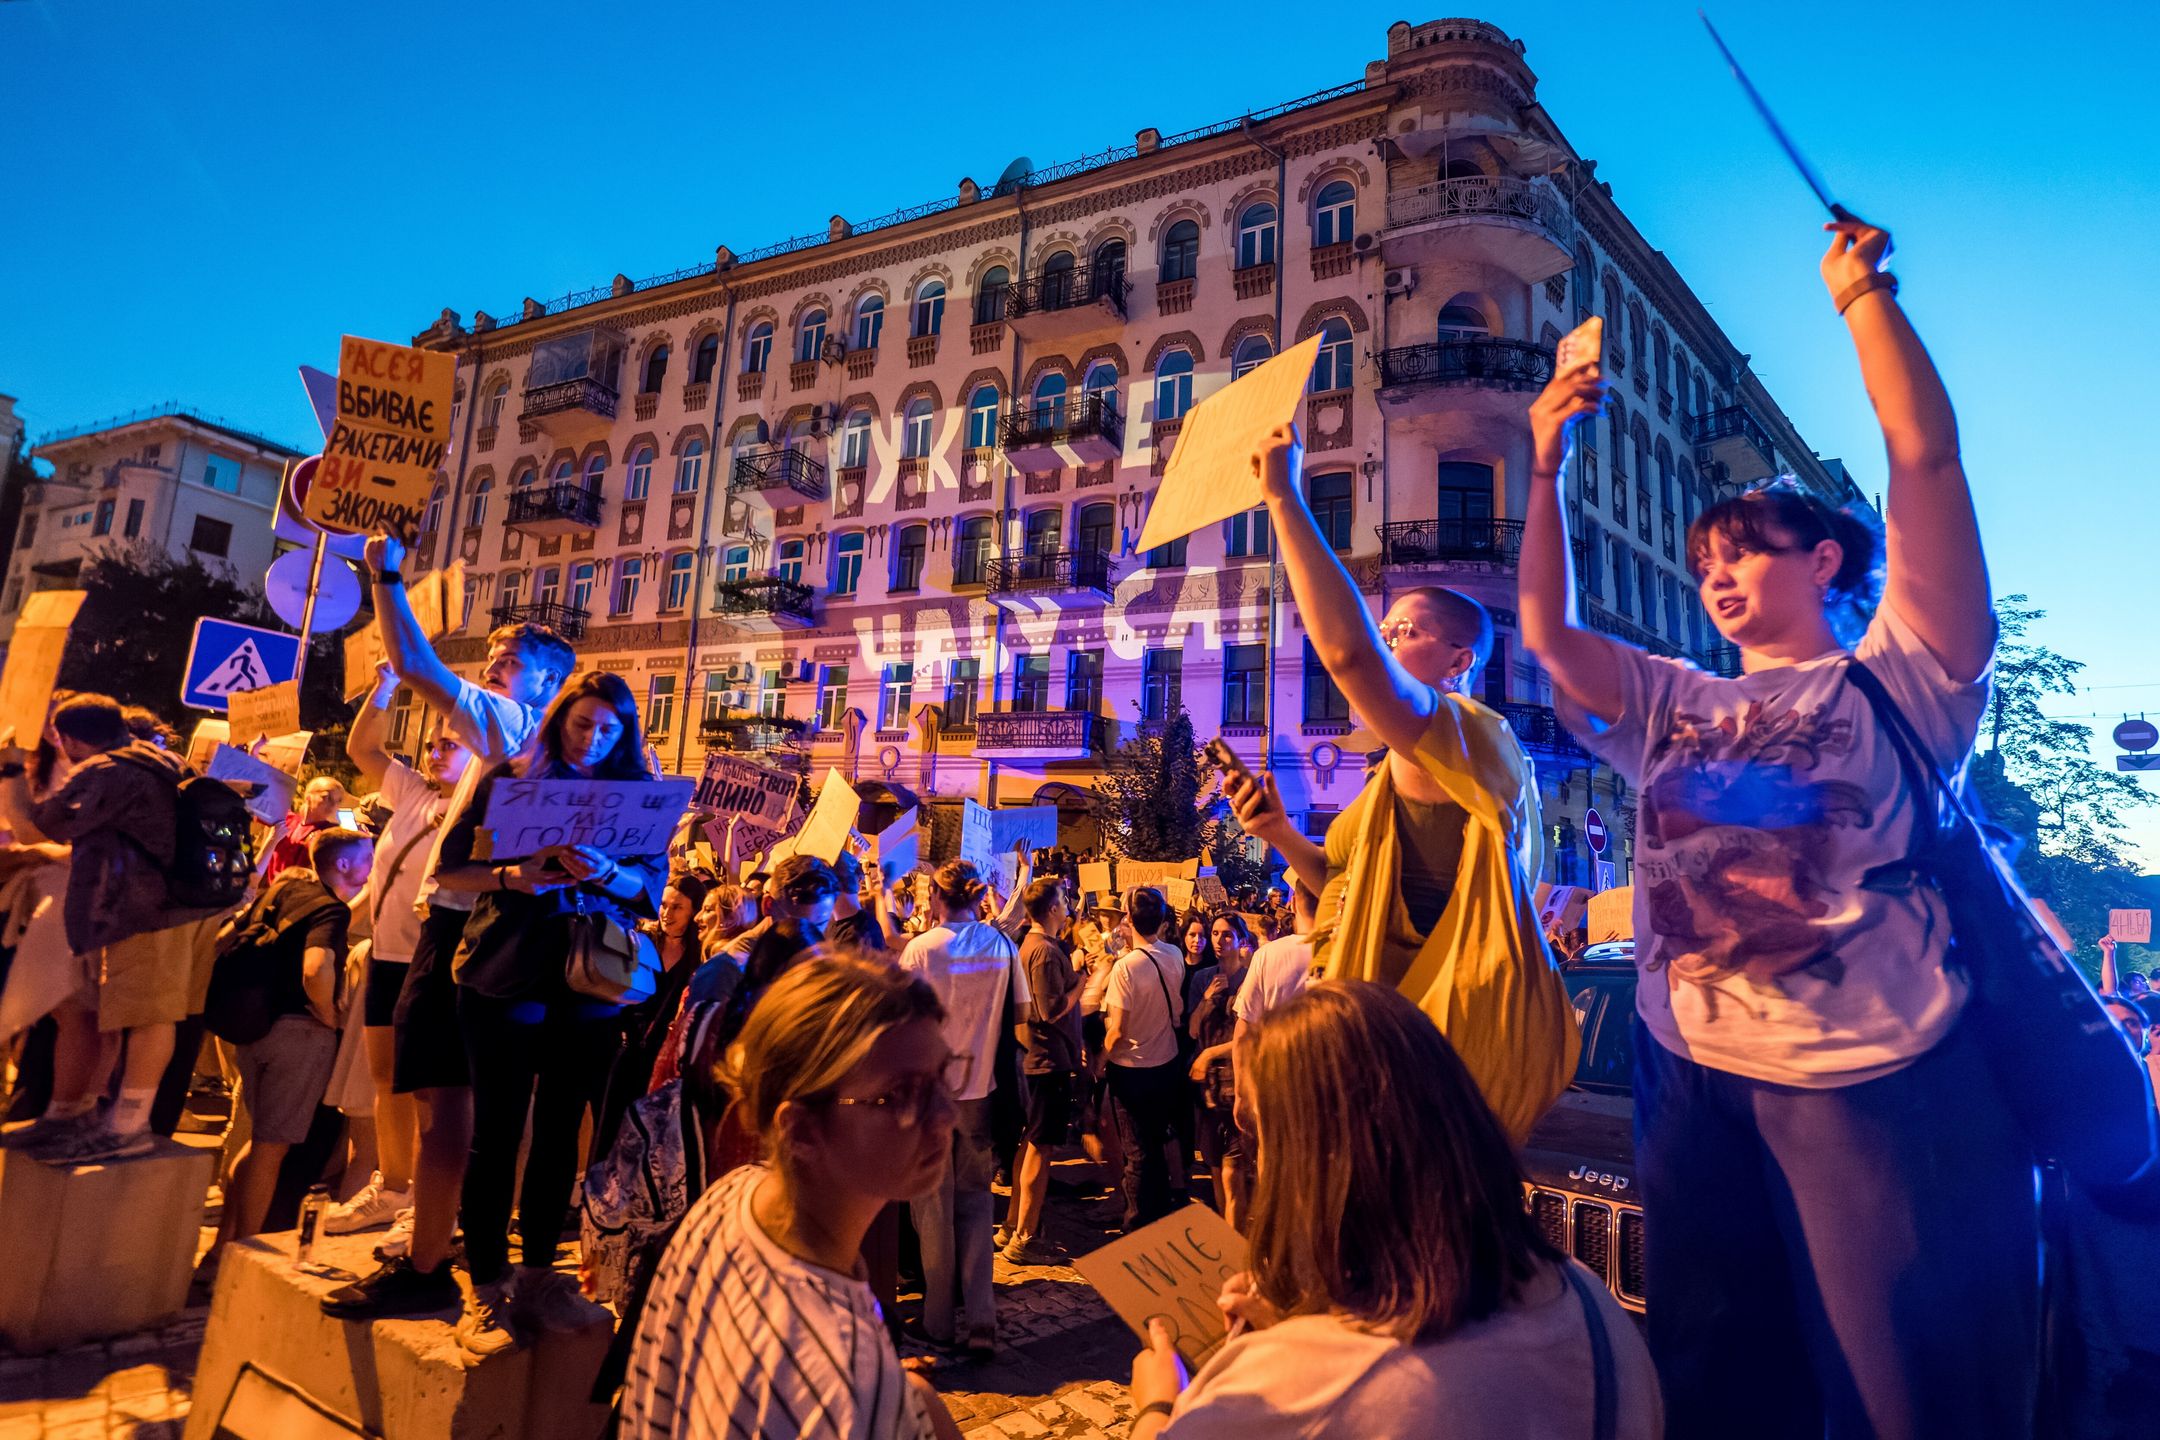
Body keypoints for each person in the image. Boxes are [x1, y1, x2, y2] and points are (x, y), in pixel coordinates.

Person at [1518, 214, 2032, 1438]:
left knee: (1893, 1399)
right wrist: (1542, 462)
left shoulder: (1905, 674)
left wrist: (1865, 304)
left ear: (1831, 562)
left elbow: (1928, 466)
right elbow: (1545, 636)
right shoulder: (1673, 699)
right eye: (1708, 563)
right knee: (1716, 1391)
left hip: (1861, 1085)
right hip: (1686, 1078)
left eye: (1751, 547)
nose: (1721, 572)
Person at [1229, 424, 1578, 1143]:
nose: (1385, 644)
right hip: (1368, 1054)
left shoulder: (1471, 734)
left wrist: (1284, 495)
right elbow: (1348, 890)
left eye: (1402, 633)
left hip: (1432, 1059)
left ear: (1459, 659)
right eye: (1386, 631)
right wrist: (1280, 835)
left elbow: (1347, 654)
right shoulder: (1396, 769)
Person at [1126, 980, 1659, 1438]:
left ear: (1314, 1160)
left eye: (1265, 1135)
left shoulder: (1293, 1382)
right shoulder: (1589, 1300)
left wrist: (1159, 1402)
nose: (1261, 1160)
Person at [324, 533, 574, 1320]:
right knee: (447, 1114)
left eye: (513, 658)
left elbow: (421, 668)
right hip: (464, 935)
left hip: (462, 939)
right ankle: (437, 1249)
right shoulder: (509, 739)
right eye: (495, 653)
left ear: (547, 683)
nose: (496, 663)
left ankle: (439, 1261)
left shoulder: (512, 723)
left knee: (453, 1115)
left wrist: (386, 574)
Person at [617, 954, 965, 1440]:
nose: (946, 1114)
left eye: (944, 1075)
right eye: (900, 1094)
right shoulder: (846, 1393)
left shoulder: (730, 1199)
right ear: (800, 1130)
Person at [427, 671, 666, 1356]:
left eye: (609, 728)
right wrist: (516, 875)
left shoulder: (638, 797)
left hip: (590, 982)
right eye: (583, 723)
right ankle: (486, 1285)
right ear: (561, 719)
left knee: (562, 1131)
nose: (594, 738)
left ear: (626, 734)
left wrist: (602, 872)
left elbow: (647, 887)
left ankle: (537, 1272)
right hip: (505, 971)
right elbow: (451, 870)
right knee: (497, 1131)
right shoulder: (511, 776)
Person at [0, 694, 227, 1162]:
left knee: (146, 1014)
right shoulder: (156, 758)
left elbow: (42, 827)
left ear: (71, 739)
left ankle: (127, 1126)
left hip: (145, 909)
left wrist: (11, 770)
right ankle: (73, 1116)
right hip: (147, 908)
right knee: (114, 1014)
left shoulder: (106, 770)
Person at [322, 676, 474, 1245]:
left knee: (430, 1089)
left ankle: (434, 1205)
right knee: (386, 1080)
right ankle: (392, 1188)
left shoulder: (472, 804)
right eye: (433, 744)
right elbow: (364, 749)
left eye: (449, 745)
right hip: (387, 955)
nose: (435, 753)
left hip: (431, 956)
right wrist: (381, 688)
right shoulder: (410, 791)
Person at [214, 827, 375, 1253]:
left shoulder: (284, 895)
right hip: (298, 1036)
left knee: (255, 1143)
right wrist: (327, 1013)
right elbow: (315, 968)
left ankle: (220, 1243)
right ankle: (243, 1251)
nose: (372, 866)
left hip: (254, 1031)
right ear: (343, 865)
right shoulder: (329, 910)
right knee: (271, 1149)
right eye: (367, 858)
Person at [895, 859, 1028, 1355]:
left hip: (931, 1092)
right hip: (981, 1092)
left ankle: (937, 1320)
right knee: (976, 1205)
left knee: (932, 1208)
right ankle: (981, 1320)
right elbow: (1021, 1017)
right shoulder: (1002, 946)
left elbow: (903, 1021)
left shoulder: (920, 949)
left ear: (936, 896)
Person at [1098, 886, 1185, 1233]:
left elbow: (1117, 1030)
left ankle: (1135, 1223)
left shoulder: (1126, 968)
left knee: (1136, 1150)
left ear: (1129, 920)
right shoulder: (1174, 955)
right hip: (1167, 1062)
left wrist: (1099, 1058)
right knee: (1157, 1138)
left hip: (1132, 1068)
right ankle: (1161, 1209)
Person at [1006, 876, 1082, 1265]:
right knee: (1041, 1147)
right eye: (1064, 900)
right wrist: (1081, 982)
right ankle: (1025, 1236)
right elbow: (1049, 1010)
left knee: (1030, 1142)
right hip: (1045, 1060)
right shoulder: (1045, 953)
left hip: (1036, 1058)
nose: (1068, 904)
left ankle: (1011, 1225)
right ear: (1052, 908)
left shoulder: (1034, 946)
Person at [1184, 911, 1254, 1225]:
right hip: (1209, 1084)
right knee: (1215, 1163)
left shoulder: (1250, 978)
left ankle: (1238, 1233)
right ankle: (1227, 1231)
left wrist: (1210, 1053)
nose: (1219, 941)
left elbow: (1253, 1036)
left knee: (1235, 1167)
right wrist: (1207, 1000)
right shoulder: (1202, 978)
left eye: (1227, 935)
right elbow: (1193, 1030)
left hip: (1238, 1079)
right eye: (1215, 934)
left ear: (1241, 940)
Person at [1230, 881, 1320, 1035]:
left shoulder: (1266, 954)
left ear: (1292, 904)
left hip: (1274, 1054)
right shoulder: (1347, 956)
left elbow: (1244, 1028)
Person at [258, 775, 349, 886]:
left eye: (338, 801)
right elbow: (256, 799)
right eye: (327, 797)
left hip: (300, 895)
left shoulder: (330, 832)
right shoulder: (286, 819)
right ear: (308, 797)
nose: (333, 805)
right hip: (273, 891)